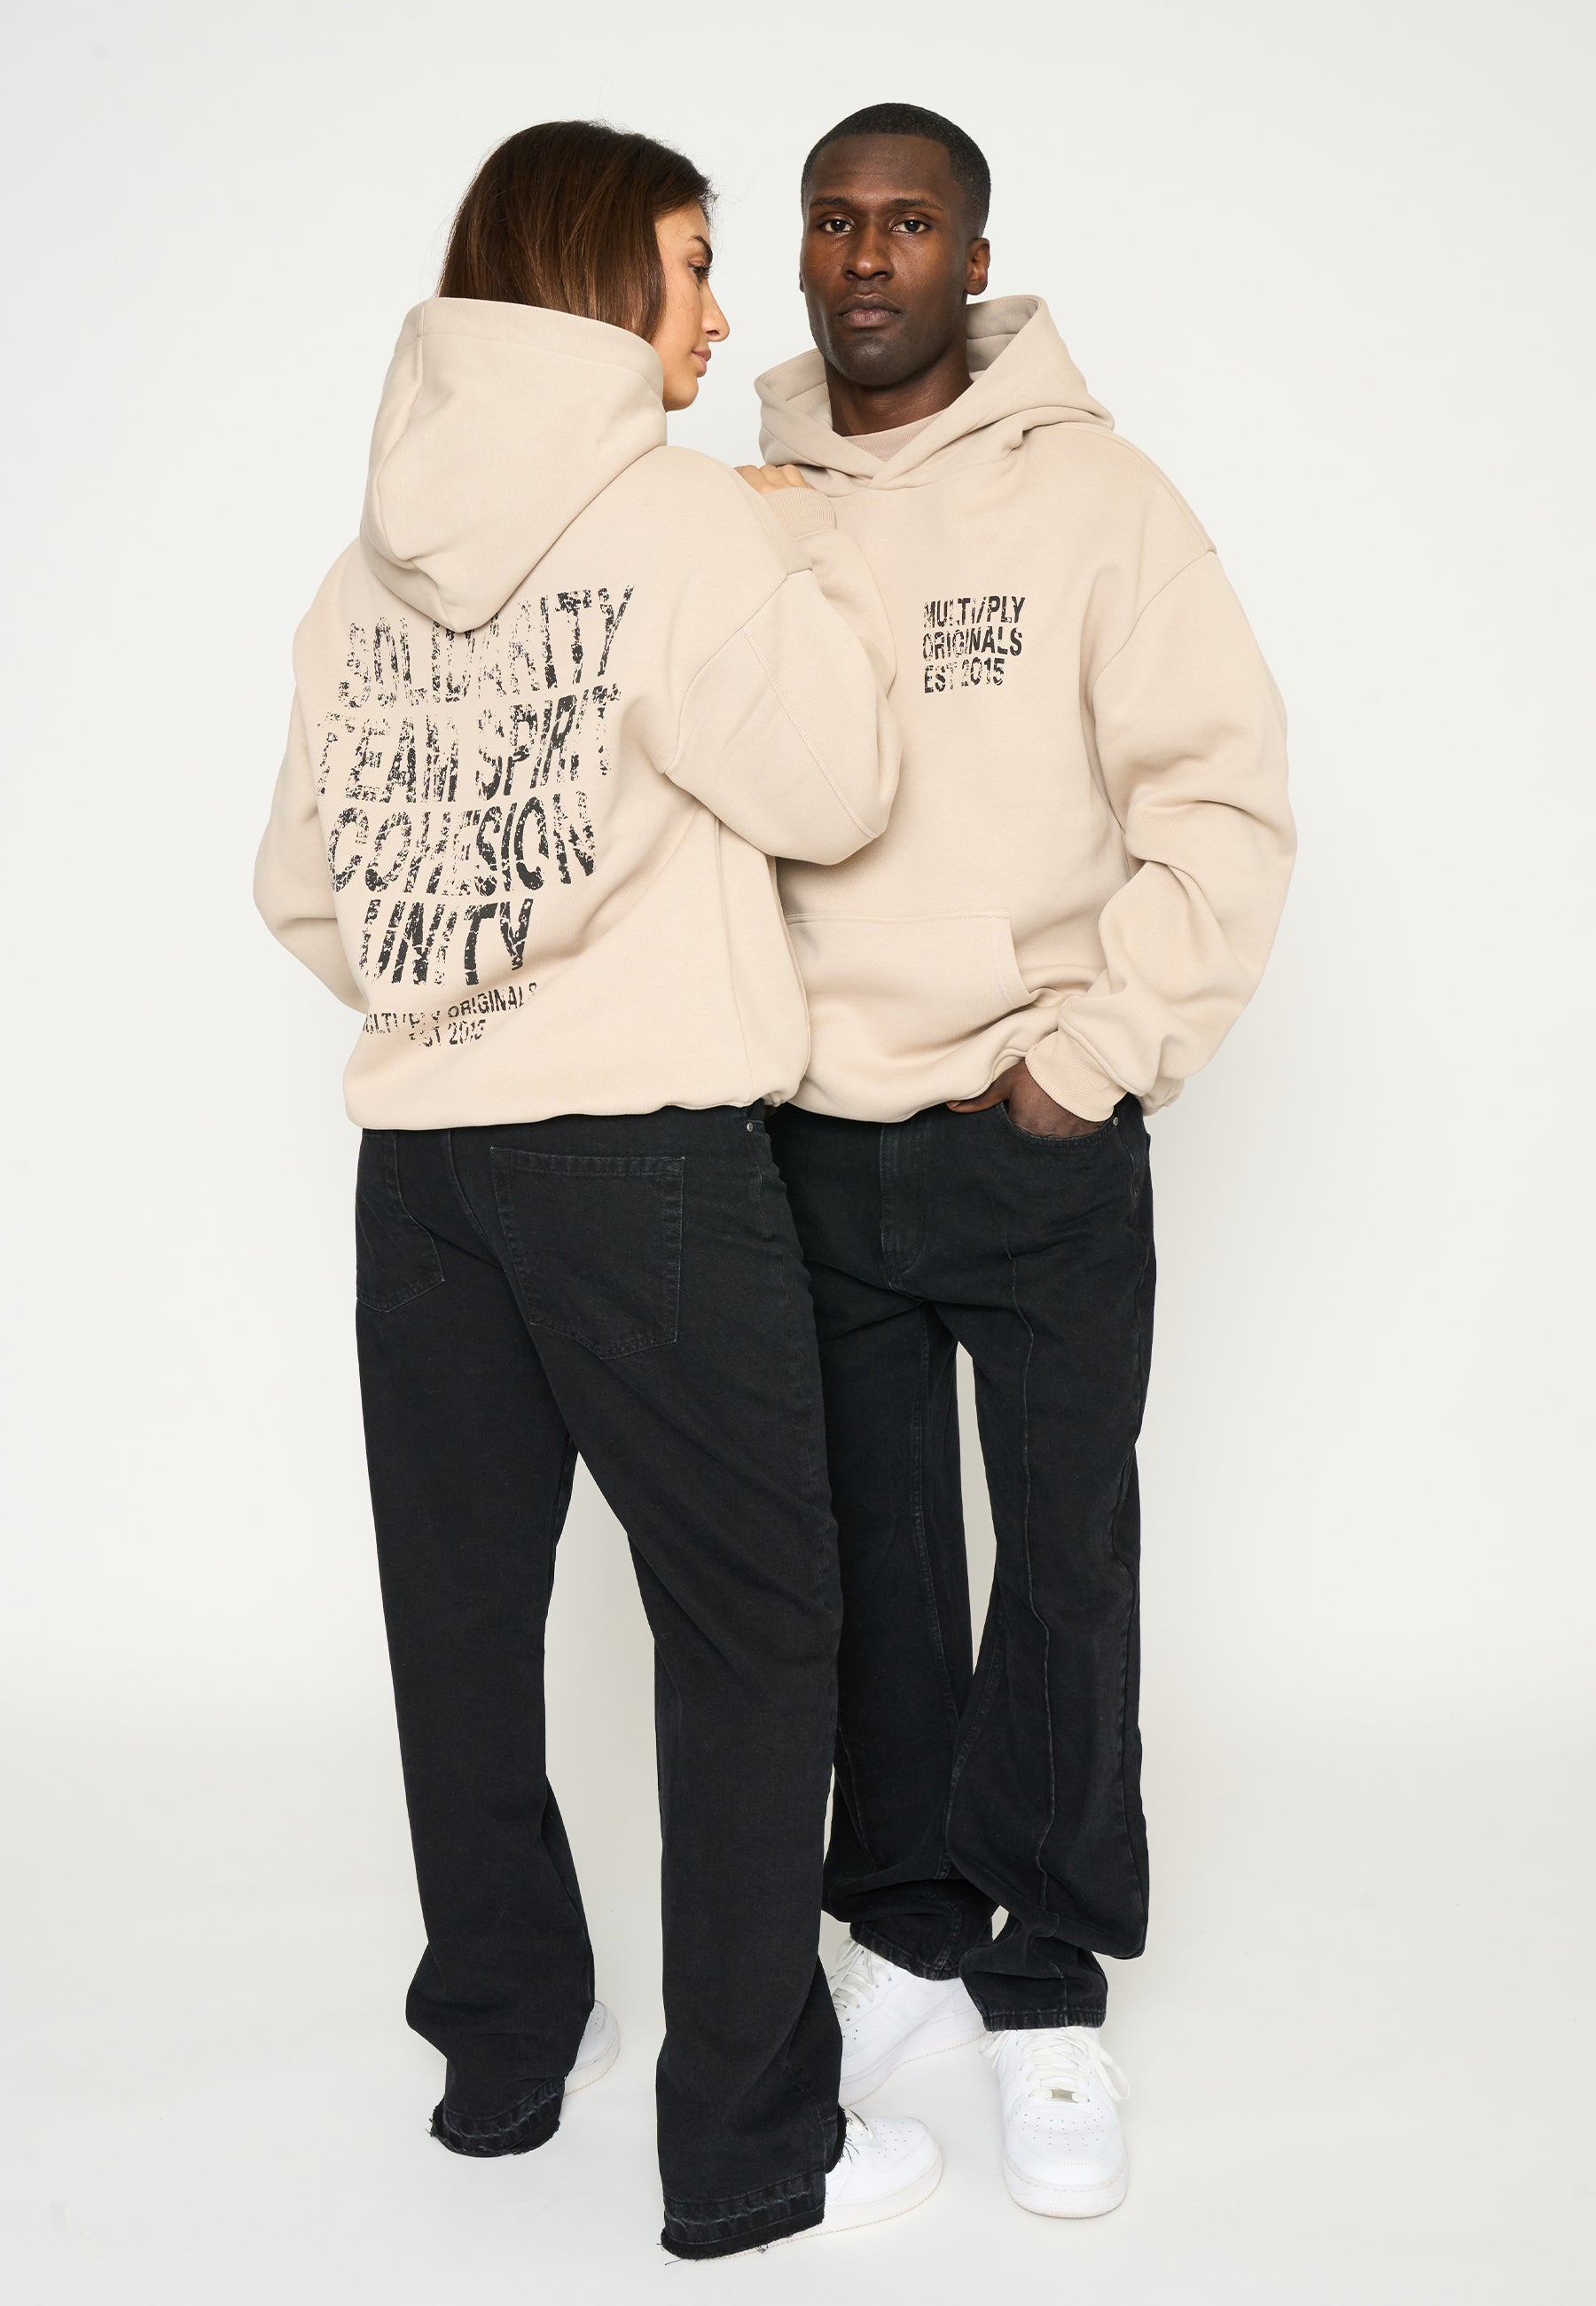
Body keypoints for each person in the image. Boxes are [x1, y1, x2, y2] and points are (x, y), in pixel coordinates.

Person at [254, 118, 942, 2261]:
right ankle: (745, 2149)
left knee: (461, 1620)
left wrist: (468, 965)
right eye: (694, 263)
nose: (723, 311)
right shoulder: (681, 521)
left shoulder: (361, 569)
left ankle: (498, 2052)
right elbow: (838, 786)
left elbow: (305, 890)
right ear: (596, 282)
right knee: (754, 1625)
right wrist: (796, 563)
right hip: (639, 1157)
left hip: (422, 1170)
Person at [750, 102, 1295, 2219]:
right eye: (835, 220)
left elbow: (1221, 799)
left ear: (976, 260)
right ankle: (903, 1925)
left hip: (1032, 1124)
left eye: (911, 223)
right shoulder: (749, 508)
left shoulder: (1100, 500)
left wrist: (1094, 1054)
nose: (868, 257)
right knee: (870, 1561)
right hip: (812, 1132)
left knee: (1062, 1556)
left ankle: (1047, 1975)